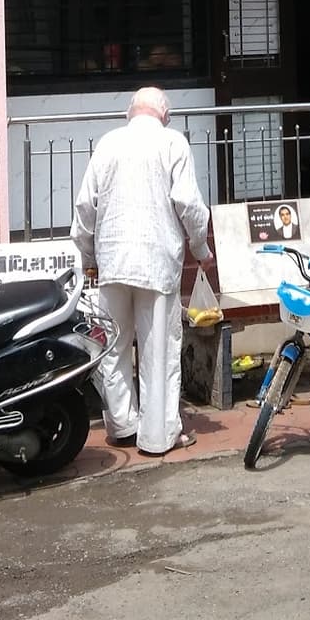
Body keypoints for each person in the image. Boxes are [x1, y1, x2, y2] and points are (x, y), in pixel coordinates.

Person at [71, 87, 214, 455]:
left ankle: (121, 425)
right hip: (156, 261)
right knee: (159, 351)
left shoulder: (108, 143)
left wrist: (87, 254)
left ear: (130, 113)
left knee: (114, 346)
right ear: (164, 115)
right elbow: (188, 203)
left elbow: (86, 205)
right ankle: (158, 435)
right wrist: (201, 248)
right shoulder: (173, 143)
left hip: (113, 262)